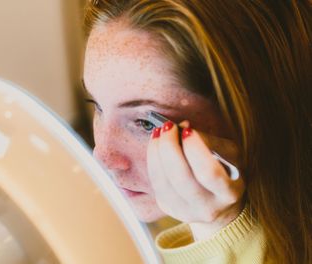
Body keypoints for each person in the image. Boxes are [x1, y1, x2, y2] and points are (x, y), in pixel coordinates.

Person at [81, 0, 312, 263]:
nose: (102, 157)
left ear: (252, 112)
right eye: (98, 107)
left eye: (145, 122)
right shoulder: (148, 217)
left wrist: (217, 230)